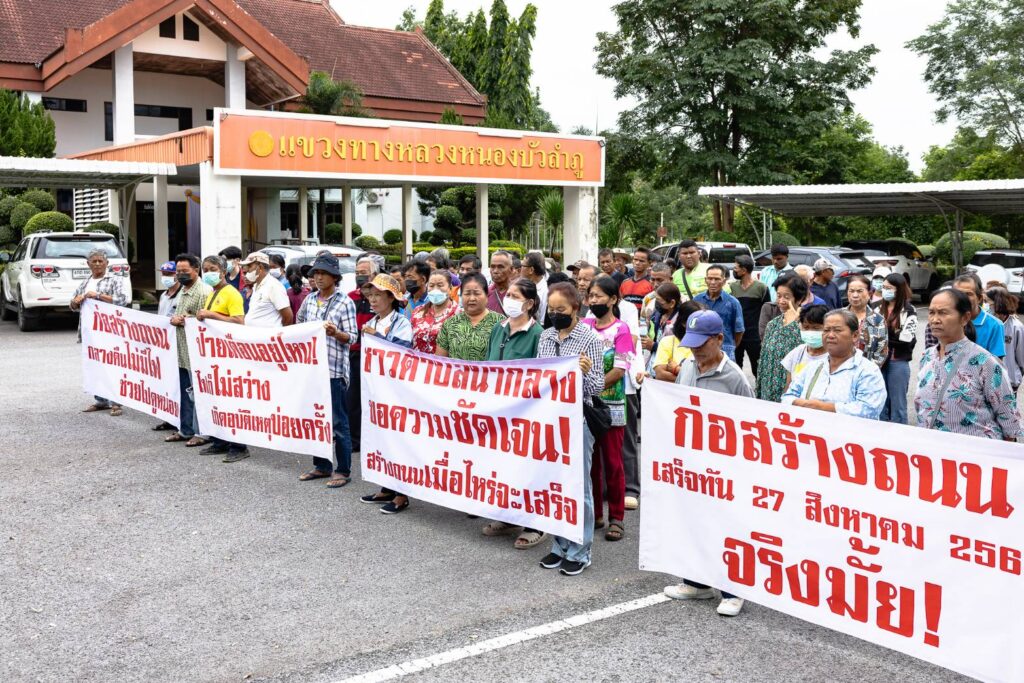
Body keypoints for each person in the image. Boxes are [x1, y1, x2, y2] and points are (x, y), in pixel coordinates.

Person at [664, 310, 754, 617]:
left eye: (703, 342)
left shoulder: (734, 377)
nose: (696, 349)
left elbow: (750, 424)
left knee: (725, 525)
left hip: (723, 466)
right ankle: (696, 582)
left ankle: (733, 590)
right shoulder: (687, 366)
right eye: (691, 343)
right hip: (690, 462)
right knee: (692, 522)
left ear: (719, 339)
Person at [537, 282, 605, 576]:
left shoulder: (589, 338)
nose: (555, 315)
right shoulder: (546, 336)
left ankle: (580, 549)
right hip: (551, 417)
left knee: (579, 486)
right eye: (551, 310)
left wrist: (586, 373)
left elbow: (597, 386)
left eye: (560, 310)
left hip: (577, 418)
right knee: (553, 484)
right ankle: (559, 545)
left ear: (576, 309)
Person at [481, 277, 545, 549]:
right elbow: (488, 364)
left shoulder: (538, 333)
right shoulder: (499, 328)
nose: (509, 300)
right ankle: (507, 515)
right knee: (502, 466)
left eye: (516, 296)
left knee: (528, 468)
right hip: (498, 410)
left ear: (530, 303)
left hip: (525, 412)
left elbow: (541, 374)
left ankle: (535, 524)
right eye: (508, 295)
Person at [915, 288, 1020, 441]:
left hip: (975, 457)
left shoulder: (984, 362)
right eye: (931, 312)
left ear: (964, 318)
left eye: (943, 313)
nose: (935, 319)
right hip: (934, 454)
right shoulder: (927, 357)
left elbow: (1009, 420)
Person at [296, 253, 358, 487]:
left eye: (322, 273)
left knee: (338, 421)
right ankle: (322, 465)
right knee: (316, 418)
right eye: (315, 273)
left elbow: (352, 337)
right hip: (312, 370)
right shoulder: (310, 299)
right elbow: (299, 325)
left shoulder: (345, 302)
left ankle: (343, 469)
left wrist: (335, 333)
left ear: (334, 276)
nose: (318, 277)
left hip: (333, 371)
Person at [580, 276, 633, 543]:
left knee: (612, 463)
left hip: (611, 404)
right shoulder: (584, 325)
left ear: (614, 300)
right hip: (587, 404)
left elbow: (621, 368)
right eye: (591, 296)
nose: (594, 301)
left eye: (600, 296)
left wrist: (593, 383)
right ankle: (595, 514)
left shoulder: (621, 329)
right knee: (590, 462)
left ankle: (617, 517)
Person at [359, 274, 414, 514]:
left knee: (399, 439)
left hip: (396, 391)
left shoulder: (401, 323)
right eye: (370, 295)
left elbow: (401, 351)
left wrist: (376, 337)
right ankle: (386, 486)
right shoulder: (374, 320)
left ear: (391, 298)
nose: (372, 300)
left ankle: (403, 494)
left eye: (378, 295)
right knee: (381, 438)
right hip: (376, 389)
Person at [782, 310, 887, 420]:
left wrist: (820, 407)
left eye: (837, 330)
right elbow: (787, 397)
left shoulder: (867, 371)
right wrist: (806, 405)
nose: (830, 335)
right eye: (826, 330)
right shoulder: (813, 367)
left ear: (855, 336)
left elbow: (868, 410)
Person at [195, 255, 248, 462]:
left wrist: (211, 315)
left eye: (212, 269)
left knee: (232, 402)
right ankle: (220, 441)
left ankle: (239, 446)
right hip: (216, 356)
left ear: (223, 271)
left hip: (230, 355)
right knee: (217, 400)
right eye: (205, 269)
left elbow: (238, 321)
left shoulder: (231, 293)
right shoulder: (213, 293)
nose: (207, 273)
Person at [71, 248, 131, 416]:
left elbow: (122, 300)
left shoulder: (114, 280)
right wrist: (76, 302)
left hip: (110, 331)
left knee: (113, 366)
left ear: (107, 263)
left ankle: (116, 402)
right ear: (88, 264)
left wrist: (97, 295)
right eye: (94, 261)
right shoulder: (85, 282)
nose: (97, 264)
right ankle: (100, 400)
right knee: (95, 366)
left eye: (100, 261)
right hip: (91, 333)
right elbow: (73, 305)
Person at [165, 253, 213, 447]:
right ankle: (185, 429)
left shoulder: (203, 291)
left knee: (198, 393)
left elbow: (208, 322)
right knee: (185, 392)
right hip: (182, 351)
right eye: (178, 272)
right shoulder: (183, 291)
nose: (181, 275)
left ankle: (201, 432)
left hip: (197, 353)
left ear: (196, 270)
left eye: (185, 271)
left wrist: (186, 320)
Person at [874, 273, 917, 424]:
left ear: (899, 290)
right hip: (878, 362)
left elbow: (906, 339)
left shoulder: (909, 310)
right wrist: (891, 336)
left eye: (889, 288)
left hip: (898, 361)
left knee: (898, 403)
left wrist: (883, 338)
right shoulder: (877, 308)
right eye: (884, 287)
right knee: (881, 402)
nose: (885, 290)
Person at [756, 275, 807, 402]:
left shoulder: (805, 326)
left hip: (791, 389)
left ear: (799, 299)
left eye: (787, 297)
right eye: (779, 296)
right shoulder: (773, 324)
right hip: (768, 386)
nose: (781, 301)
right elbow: (763, 358)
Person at [346, 257, 378, 454]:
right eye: (357, 272)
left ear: (374, 274)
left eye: (364, 272)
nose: (360, 276)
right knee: (352, 398)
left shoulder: (382, 296)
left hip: (374, 354)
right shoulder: (351, 296)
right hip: (354, 352)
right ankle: (355, 440)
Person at [436, 273, 504, 361]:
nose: (472, 298)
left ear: (487, 295)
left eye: (477, 293)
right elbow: (440, 361)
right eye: (467, 294)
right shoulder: (450, 323)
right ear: (461, 296)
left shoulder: (500, 323)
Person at [152, 261, 184, 432]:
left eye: (170, 274)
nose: (166, 277)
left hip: (177, 344)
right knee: (166, 383)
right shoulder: (164, 296)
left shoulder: (182, 295)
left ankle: (179, 419)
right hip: (164, 345)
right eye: (164, 273)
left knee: (178, 383)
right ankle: (168, 417)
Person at [729, 255, 769, 377]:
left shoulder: (761, 287)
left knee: (757, 368)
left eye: (736, 268)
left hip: (754, 334)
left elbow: (767, 312)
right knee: (735, 367)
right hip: (736, 333)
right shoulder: (732, 287)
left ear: (744, 270)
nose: (733, 270)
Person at [694, 265, 744, 361]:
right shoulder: (697, 300)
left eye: (717, 279)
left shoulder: (733, 302)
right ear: (705, 280)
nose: (713, 282)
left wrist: (730, 347)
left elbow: (739, 330)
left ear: (724, 281)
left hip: (725, 350)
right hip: (700, 348)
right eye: (710, 279)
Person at [953, 274, 1005, 359]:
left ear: (979, 298)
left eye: (968, 294)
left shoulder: (994, 325)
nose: (962, 298)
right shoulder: (947, 321)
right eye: (958, 294)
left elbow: (997, 365)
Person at [410, 269, 461, 354]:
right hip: (418, 364)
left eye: (440, 285)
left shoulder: (459, 314)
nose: (435, 289)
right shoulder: (418, 312)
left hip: (443, 366)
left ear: (450, 288)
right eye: (431, 285)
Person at [843, 274, 888, 368]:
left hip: (866, 373)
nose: (855, 295)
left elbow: (881, 351)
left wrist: (868, 371)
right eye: (851, 291)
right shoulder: (838, 316)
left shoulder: (877, 320)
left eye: (860, 291)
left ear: (869, 294)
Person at [781, 304, 829, 390]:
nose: (810, 332)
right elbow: (788, 387)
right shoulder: (797, 353)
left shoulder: (835, 356)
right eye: (806, 327)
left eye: (816, 328)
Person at [652, 300, 703, 381]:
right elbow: (661, 375)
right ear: (684, 323)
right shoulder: (668, 342)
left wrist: (676, 370)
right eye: (696, 321)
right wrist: (692, 381)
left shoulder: (708, 343)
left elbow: (707, 376)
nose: (701, 324)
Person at [987, 287, 1024, 394]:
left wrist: (1015, 376)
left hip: (1009, 382)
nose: (986, 306)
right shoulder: (987, 323)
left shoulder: (1016, 327)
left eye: (988, 302)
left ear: (997, 303)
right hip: (987, 381)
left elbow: (1021, 357)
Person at [241, 252, 293, 327]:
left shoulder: (273, 286)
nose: (247, 269)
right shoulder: (256, 285)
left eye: (249, 266)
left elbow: (288, 317)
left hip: (268, 337)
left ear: (260, 267)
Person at [619, 247, 654, 314]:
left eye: (641, 261)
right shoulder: (625, 283)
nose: (637, 263)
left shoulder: (652, 283)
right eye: (635, 259)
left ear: (649, 263)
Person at [640, 262, 673, 326]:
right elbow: (643, 321)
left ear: (670, 279)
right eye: (652, 280)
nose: (656, 284)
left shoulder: (682, 300)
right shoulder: (648, 298)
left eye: (660, 280)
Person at [522, 251, 548, 323]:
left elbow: (542, 320)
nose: (520, 268)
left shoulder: (545, 291)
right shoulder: (524, 286)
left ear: (531, 270)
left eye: (523, 266)